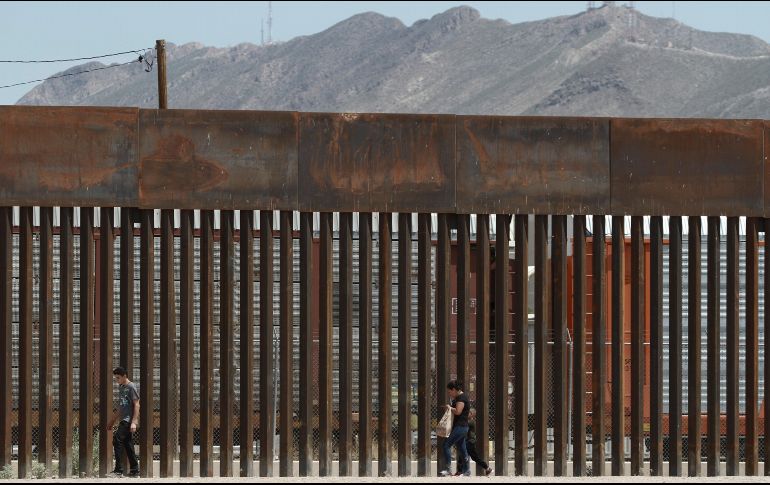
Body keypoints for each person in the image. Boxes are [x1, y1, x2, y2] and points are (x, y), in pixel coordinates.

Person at [106, 366, 140, 477]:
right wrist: (112, 420)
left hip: (128, 420)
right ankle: (135, 470)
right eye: (115, 378)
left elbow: (136, 404)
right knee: (128, 444)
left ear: (124, 376)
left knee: (117, 440)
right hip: (123, 419)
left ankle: (118, 470)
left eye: (118, 378)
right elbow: (121, 406)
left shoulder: (131, 387)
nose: (117, 380)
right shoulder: (121, 387)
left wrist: (134, 421)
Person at [439, 380, 470, 477]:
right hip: (462, 427)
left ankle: (448, 469)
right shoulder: (459, 397)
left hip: (460, 426)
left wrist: (449, 408)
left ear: (454, 389)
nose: (449, 394)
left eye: (449, 392)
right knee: (462, 448)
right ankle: (467, 471)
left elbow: (458, 411)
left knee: (446, 445)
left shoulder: (461, 398)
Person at [455, 408, 492, 476]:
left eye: (468, 413)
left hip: (470, 442)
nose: (466, 414)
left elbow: (463, 424)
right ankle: (487, 468)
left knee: (472, 457)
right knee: (467, 456)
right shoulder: (468, 421)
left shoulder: (471, 422)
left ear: (472, 414)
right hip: (468, 441)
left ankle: (460, 472)